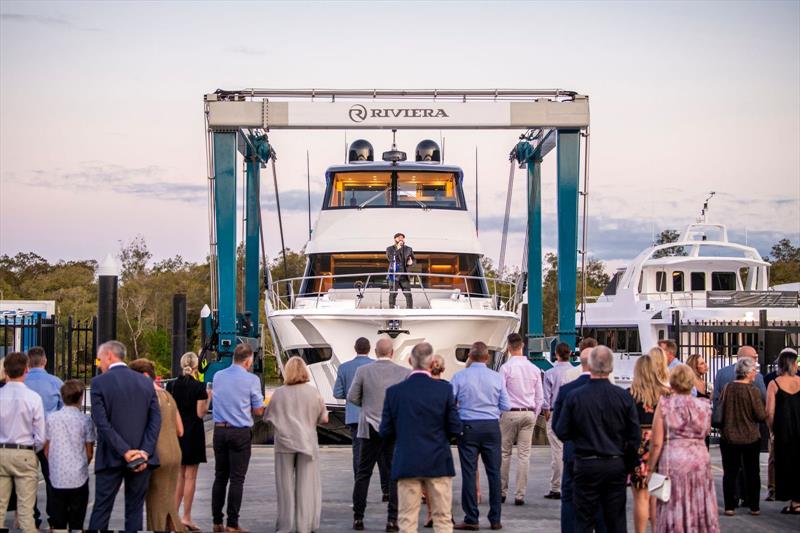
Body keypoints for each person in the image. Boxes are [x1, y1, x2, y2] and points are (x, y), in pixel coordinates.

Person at [555, 345, 640, 533]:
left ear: (589, 366)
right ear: (611, 368)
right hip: (614, 462)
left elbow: (561, 430)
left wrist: (578, 440)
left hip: (585, 462)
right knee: (615, 518)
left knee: (583, 517)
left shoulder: (575, 396)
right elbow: (634, 436)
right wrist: (627, 462)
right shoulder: (623, 397)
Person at [381, 342, 462, 533]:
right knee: (442, 519)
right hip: (438, 461)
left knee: (407, 519)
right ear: (432, 362)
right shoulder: (444, 390)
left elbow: (385, 430)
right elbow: (455, 427)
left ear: (410, 361)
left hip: (407, 462)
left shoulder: (394, 393)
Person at [88, 340, 161, 532]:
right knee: (135, 510)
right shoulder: (146, 383)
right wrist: (144, 451)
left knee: (102, 509)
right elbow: (155, 420)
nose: (99, 364)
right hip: (142, 460)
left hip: (110, 457)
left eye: (99, 359)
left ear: (109, 355)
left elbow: (101, 423)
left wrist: (125, 451)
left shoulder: (98, 383)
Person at [646, 364, 719, 532]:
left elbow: (656, 442)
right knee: (698, 497)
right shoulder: (704, 405)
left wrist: (650, 468)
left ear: (672, 383)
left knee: (671, 499)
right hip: (699, 458)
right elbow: (706, 431)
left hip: (673, 459)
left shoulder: (665, 405)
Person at [348, 338, 410, 532]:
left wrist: (366, 406)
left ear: (375, 352)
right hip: (393, 429)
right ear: (392, 352)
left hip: (368, 429)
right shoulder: (404, 373)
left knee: (363, 473)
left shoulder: (363, 371)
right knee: (394, 475)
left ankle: (358, 518)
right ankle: (392, 520)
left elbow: (352, 397)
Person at [265, 356, 328, 533]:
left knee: (284, 486)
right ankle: (304, 525)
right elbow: (324, 418)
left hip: (284, 443)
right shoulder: (313, 392)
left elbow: (268, 417)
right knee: (306, 486)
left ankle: (285, 526)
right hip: (307, 442)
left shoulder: (279, 393)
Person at [451, 341, 509, 531]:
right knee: (493, 473)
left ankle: (471, 517)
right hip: (491, 427)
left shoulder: (459, 376)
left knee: (469, 472)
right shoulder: (497, 377)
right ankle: (495, 518)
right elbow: (506, 405)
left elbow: (451, 402)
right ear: (487, 357)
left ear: (469, 356)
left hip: (468, 426)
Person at [211, 343, 265, 533]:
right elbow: (258, 410)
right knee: (237, 479)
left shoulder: (218, 376)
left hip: (219, 430)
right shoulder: (251, 380)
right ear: (248, 360)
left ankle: (217, 521)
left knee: (220, 477)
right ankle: (232, 524)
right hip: (239, 432)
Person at [551, 347, 606, 533]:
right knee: (600, 499)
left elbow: (558, 426)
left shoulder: (567, 390)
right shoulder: (612, 392)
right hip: (603, 454)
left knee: (569, 498)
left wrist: (570, 440)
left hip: (573, 452)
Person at [130, 358, 185, 532]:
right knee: (168, 500)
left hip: (157, 453)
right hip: (175, 452)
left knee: (154, 503)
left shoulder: (146, 396)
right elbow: (180, 430)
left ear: (144, 376)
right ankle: (175, 527)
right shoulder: (168, 395)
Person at [333, 337, 390, 501]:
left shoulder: (344, 368)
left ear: (355, 348)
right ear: (370, 349)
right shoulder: (376, 367)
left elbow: (337, 393)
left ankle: (360, 488)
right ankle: (386, 491)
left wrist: (353, 396)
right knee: (382, 455)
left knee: (358, 454)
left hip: (354, 417)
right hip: (375, 416)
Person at [0, 352, 45, 533]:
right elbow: (41, 435)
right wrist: (34, 449)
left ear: (5, 371)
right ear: (26, 370)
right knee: (26, 510)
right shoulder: (33, 398)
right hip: (25, 451)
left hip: (1, 451)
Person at [44, 379, 95, 531]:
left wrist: (53, 462)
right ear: (80, 398)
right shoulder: (85, 420)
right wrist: (85, 462)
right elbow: (89, 451)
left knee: (58, 517)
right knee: (77, 519)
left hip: (57, 475)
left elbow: (46, 448)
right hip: (78, 476)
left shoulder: (52, 418)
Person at [499, 333, 543, 506]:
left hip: (510, 412)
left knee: (505, 453)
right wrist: (534, 412)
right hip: (528, 413)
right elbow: (540, 396)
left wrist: (500, 413)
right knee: (524, 455)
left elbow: (500, 393)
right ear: (522, 346)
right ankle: (520, 494)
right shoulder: (534, 368)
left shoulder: (506, 368)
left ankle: (502, 492)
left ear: (509, 348)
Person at [718, 357, 766, 516]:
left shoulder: (727, 388)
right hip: (750, 437)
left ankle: (729, 507)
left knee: (730, 472)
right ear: (747, 372)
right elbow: (760, 415)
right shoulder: (753, 391)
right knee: (752, 472)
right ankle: (754, 506)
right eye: (754, 370)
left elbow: (721, 410)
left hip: (729, 437)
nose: (755, 374)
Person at [628, 354, 670, 533]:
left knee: (640, 497)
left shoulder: (629, 394)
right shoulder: (667, 393)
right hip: (661, 445)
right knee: (657, 495)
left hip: (638, 447)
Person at [171, 351, 211, 531]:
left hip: (176, 433)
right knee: (190, 477)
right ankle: (186, 516)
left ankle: (172, 515)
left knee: (179, 476)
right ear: (196, 366)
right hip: (193, 433)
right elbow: (200, 413)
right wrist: (208, 397)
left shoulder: (171, 386)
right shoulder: (199, 387)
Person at [24, 346, 63, 528]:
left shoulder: (21, 383)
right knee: (51, 480)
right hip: (50, 440)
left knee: (26, 482)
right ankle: (55, 519)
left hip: (24, 439)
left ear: (28, 362)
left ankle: (31, 517)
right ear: (45, 361)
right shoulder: (56, 382)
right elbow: (64, 411)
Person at [766, 348, 800, 514]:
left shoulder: (774, 383)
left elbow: (769, 412)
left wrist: (772, 430)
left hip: (783, 430)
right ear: (792, 364)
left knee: (787, 464)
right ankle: (797, 501)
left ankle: (794, 501)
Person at [541, 342, 574, 500]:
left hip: (556, 412)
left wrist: (546, 410)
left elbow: (546, 396)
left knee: (557, 451)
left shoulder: (550, 373)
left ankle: (556, 487)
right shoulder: (575, 373)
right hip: (573, 413)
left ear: (556, 354)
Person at [386, 232, 415, 309]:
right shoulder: (389, 249)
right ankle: (391, 310)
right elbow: (391, 259)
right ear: (395, 239)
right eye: (399, 237)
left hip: (404, 275)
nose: (401, 239)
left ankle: (409, 310)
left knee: (408, 294)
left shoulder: (409, 249)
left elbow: (413, 260)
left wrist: (411, 263)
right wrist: (398, 249)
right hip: (393, 275)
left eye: (402, 237)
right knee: (393, 294)